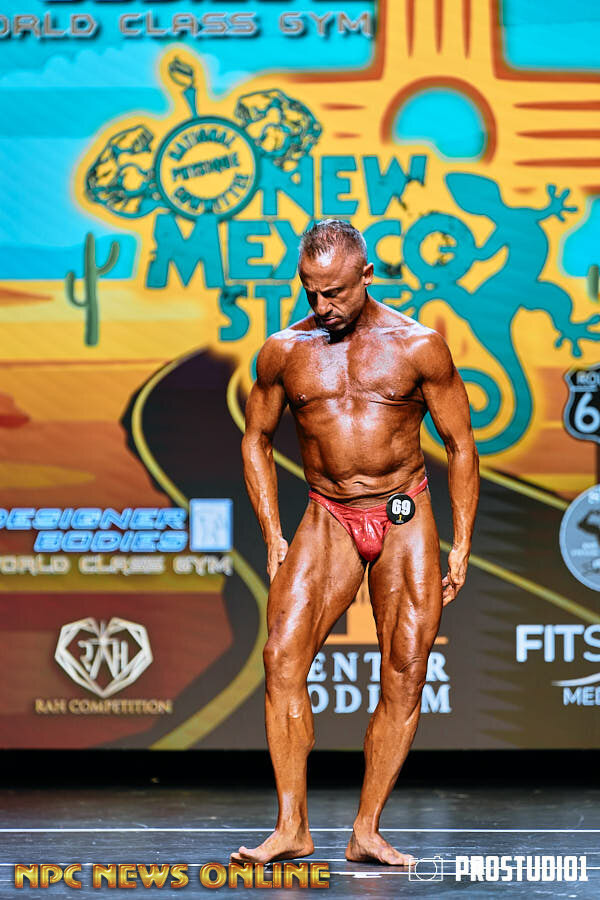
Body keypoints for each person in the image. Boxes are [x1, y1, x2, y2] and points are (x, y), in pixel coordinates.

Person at [235, 219, 479, 866]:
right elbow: (256, 439)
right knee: (282, 659)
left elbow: (460, 444)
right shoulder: (284, 351)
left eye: (336, 291)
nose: (323, 306)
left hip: (402, 509)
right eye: (311, 291)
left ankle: (366, 829)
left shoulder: (419, 346)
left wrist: (461, 544)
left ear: (367, 276)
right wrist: (272, 533)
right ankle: (292, 827)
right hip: (328, 513)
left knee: (405, 669)